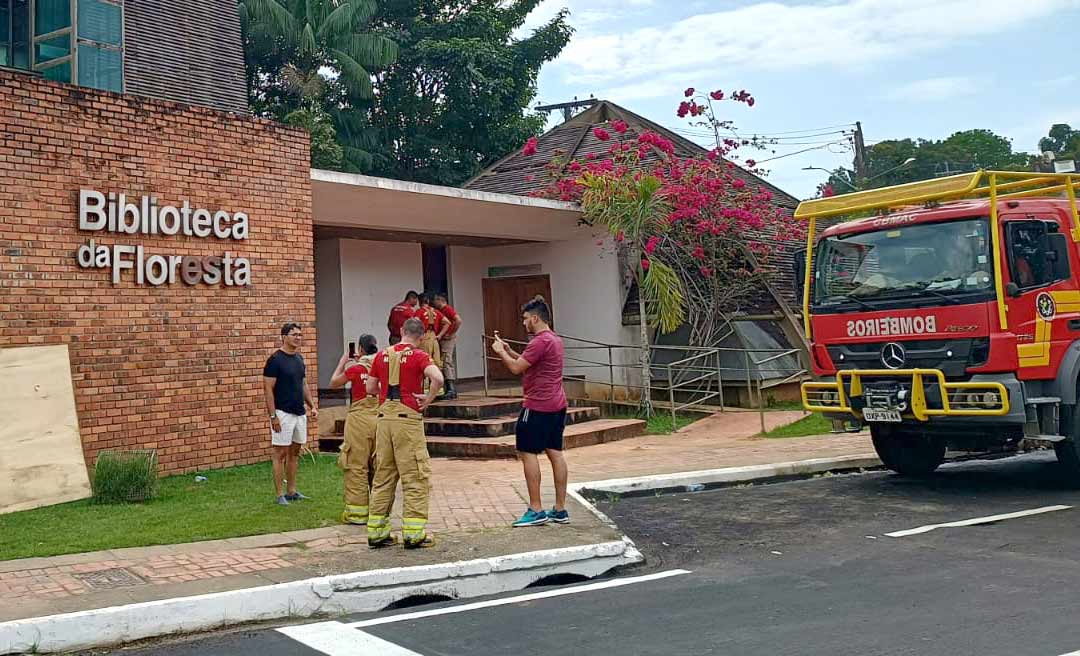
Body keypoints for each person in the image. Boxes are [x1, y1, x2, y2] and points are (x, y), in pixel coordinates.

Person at [491, 296, 570, 527]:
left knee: (528, 452)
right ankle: (560, 508)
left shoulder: (539, 341)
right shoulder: (554, 339)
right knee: (555, 452)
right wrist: (510, 350)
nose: (524, 323)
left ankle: (536, 509)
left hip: (537, 406)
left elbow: (516, 368)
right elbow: (528, 362)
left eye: (526, 319)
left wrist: (499, 352)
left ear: (535, 318)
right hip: (557, 404)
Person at [366, 318, 444, 549]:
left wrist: (386, 395)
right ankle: (413, 534)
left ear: (401, 331)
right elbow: (438, 378)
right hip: (407, 420)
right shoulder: (420, 355)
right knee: (415, 476)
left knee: (383, 476)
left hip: (383, 420)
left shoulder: (381, 355)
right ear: (421, 336)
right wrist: (428, 398)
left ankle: (377, 532)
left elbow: (370, 388)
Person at [328, 334, 388, 525]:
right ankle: (380, 512)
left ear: (360, 349)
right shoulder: (384, 366)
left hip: (359, 420)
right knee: (379, 467)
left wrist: (343, 362)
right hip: (381, 418)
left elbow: (334, 383)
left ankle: (357, 514)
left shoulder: (356, 368)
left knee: (356, 465)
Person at [263, 322, 318, 506]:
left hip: (299, 412)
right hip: (282, 413)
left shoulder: (299, 359)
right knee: (280, 453)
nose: (298, 337)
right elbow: (268, 390)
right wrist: (273, 417)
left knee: (295, 452)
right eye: (294, 334)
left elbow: (303, 385)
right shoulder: (275, 360)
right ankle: (280, 495)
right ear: (284, 336)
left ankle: (292, 491)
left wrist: (312, 406)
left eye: (300, 335)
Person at [433, 293, 463, 400]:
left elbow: (458, 320)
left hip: (448, 339)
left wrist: (450, 333)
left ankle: (451, 389)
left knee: (446, 360)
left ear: (440, 300)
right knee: (443, 361)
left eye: (435, 300)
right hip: (443, 338)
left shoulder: (447, 309)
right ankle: (446, 387)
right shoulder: (441, 311)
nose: (434, 303)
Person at [415, 293, 450, 369]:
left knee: (425, 360)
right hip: (434, 338)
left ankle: (426, 380)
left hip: (424, 337)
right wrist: (440, 335)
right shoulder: (436, 311)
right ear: (428, 301)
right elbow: (447, 322)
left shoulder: (419, 311)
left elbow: (416, 323)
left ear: (419, 301)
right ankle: (437, 378)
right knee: (436, 362)